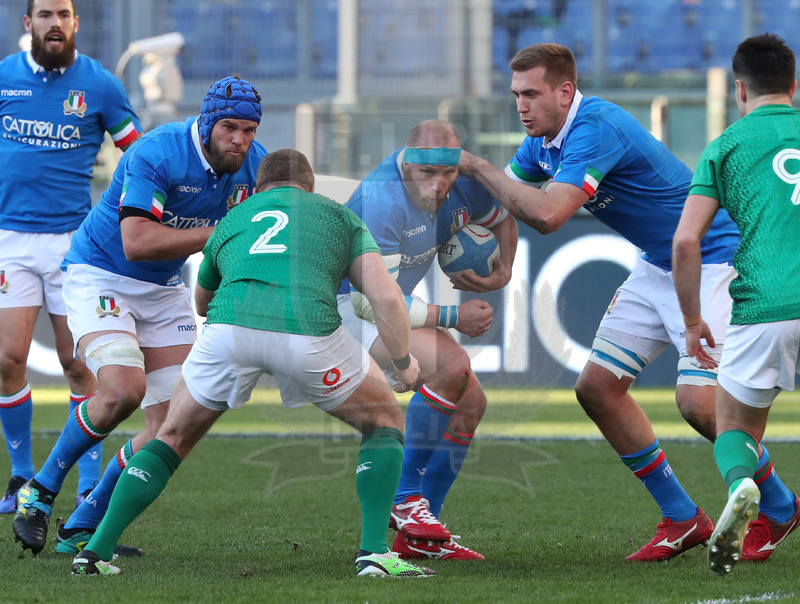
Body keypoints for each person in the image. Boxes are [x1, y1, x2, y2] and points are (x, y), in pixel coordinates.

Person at [457, 42, 798, 562]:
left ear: (565, 91)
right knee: (597, 389)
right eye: (515, 94)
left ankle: (779, 504)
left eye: (531, 93)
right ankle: (683, 518)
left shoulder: (597, 126)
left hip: (711, 261)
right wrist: (489, 249)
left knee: (699, 405)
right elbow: (504, 201)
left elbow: (548, 215)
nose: (520, 105)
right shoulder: (540, 145)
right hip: (656, 264)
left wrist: (477, 166)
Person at [69, 148, 433, 578]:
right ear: (310, 187)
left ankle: (94, 552)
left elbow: (202, 301)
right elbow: (386, 297)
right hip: (307, 332)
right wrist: (403, 362)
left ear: (258, 188)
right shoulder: (339, 216)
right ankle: (373, 554)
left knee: (170, 437)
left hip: (228, 333)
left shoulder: (234, 219)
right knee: (385, 421)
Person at [12, 74, 267, 557]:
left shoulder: (254, 166)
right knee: (123, 391)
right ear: (208, 121)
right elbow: (138, 242)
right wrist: (222, 230)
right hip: (101, 274)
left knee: (179, 418)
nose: (240, 140)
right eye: (230, 127)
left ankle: (83, 524)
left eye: (249, 130)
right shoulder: (160, 151)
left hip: (163, 288)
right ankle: (40, 489)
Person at [337, 119, 518, 560]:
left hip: (391, 303)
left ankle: (420, 537)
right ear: (406, 161)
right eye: (427, 174)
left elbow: (506, 217)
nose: (439, 186)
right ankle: (405, 498)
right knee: (451, 368)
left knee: (471, 404)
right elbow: (372, 303)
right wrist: (455, 316)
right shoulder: (382, 199)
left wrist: (505, 270)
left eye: (448, 174)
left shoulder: (466, 185)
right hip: (347, 308)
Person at [0, 0, 141, 514]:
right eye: (44, 14)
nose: (54, 23)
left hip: (71, 244)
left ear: (76, 23)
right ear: (28, 24)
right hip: (9, 240)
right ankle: (20, 479)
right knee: (7, 360)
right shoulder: (4, 78)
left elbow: (138, 154)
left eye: (63, 14)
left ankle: (83, 486)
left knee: (77, 364)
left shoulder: (100, 84)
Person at [672, 33, 800, 575]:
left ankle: (744, 485)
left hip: (767, 303)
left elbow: (684, 242)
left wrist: (693, 319)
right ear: (794, 86)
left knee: (734, 429)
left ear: (739, 88)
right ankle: (774, 507)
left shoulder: (725, 145)